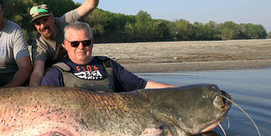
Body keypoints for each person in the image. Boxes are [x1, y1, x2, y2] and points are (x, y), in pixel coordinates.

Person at [41, 21, 177, 92]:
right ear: (65, 45)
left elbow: (143, 85)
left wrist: (179, 90)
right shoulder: (56, 74)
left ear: (92, 43)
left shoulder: (108, 65)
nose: (81, 47)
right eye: (75, 43)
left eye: (86, 42)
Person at [29, 0, 100, 86]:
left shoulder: (65, 21)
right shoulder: (39, 44)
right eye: (38, 23)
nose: (43, 25)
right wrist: (32, 94)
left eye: (45, 20)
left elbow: (90, 4)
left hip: (79, 65)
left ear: (52, 17)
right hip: (57, 74)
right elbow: (37, 72)